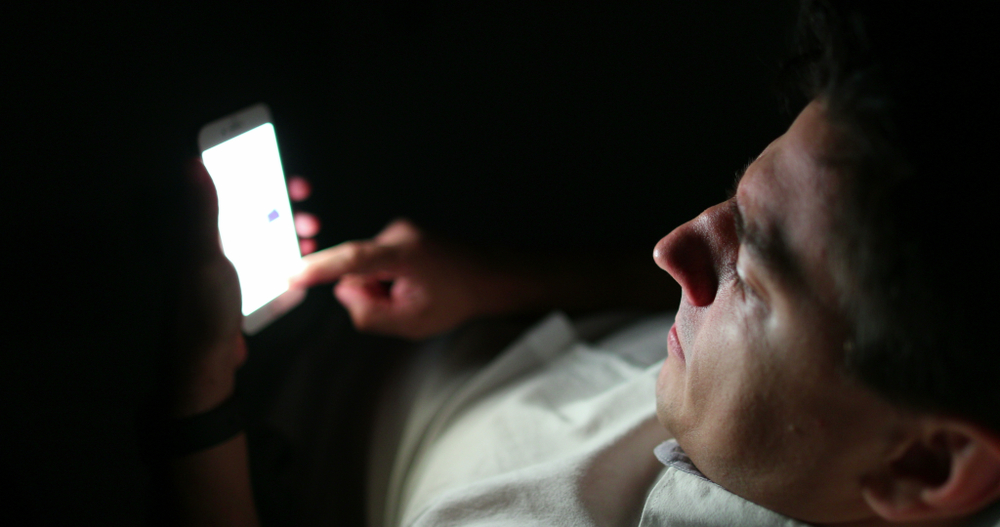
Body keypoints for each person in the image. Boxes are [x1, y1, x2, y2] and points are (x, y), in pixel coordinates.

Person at [152, 1, 1000, 525]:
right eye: (733, 208)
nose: (671, 249)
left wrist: (196, 392)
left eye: (753, 271)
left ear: (923, 466)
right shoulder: (884, 386)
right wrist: (489, 281)